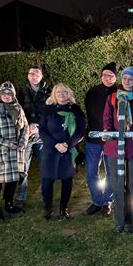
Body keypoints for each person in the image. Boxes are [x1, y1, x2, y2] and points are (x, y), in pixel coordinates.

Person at [102, 67, 133, 233]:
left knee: (131, 184)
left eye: (131, 78)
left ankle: (129, 219)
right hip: (115, 147)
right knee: (116, 183)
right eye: (125, 78)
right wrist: (108, 131)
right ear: (121, 79)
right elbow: (107, 118)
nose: (127, 81)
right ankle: (119, 220)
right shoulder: (113, 97)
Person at [0, 81, 29, 222]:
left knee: (12, 181)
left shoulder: (18, 108)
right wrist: (6, 143)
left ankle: (9, 204)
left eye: (10, 94)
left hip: (16, 151)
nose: (7, 96)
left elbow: (25, 127)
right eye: (4, 93)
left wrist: (22, 143)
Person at [39, 83, 86, 220]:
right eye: (58, 92)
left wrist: (68, 144)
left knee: (67, 180)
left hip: (68, 151)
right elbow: (42, 130)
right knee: (47, 181)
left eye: (64, 92)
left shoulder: (75, 109)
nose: (61, 94)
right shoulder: (48, 109)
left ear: (69, 94)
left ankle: (63, 209)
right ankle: (47, 208)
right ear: (54, 94)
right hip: (51, 150)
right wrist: (55, 144)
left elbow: (81, 130)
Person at [84, 62, 118, 217]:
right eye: (105, 75)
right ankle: (97, 201)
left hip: (111, 140)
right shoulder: (92, 92)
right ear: (101, 76)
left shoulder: (119, 92)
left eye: (111, 75)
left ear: (115, 77)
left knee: (111, 173)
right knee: (92, 173)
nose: (107, 78)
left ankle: (107, 202)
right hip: (93, 140)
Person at [15, 65, 50, 209]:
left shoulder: (49, 91)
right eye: (31, 74)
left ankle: (46, 197)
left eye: (37, 74)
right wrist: (28, 126)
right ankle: (20, 198)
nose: (34, 76)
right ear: (28, 76)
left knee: (45, 168)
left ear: (42, 76)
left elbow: (52, 112)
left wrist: (40, 127)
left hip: (42, 135)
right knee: (22, 169)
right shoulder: (21, 92)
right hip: (26, 136)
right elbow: (17, 111)